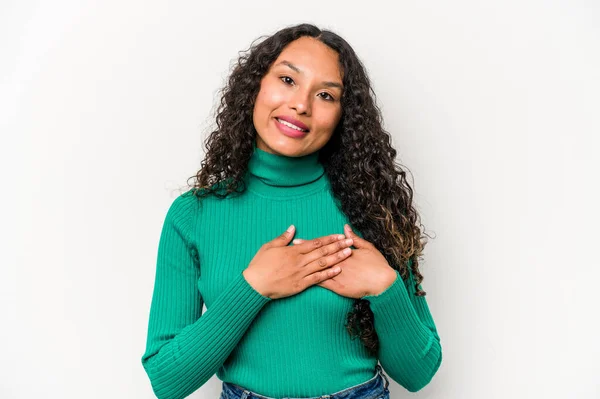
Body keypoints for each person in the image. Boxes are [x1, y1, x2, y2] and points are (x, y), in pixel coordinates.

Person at [141, 23, 442, 399]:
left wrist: (385, 288)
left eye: (326, 96)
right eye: (287, 79)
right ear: (255, 86)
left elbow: (419, 372)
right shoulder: (192, 216)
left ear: (343, 116)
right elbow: (166, 381)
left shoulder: (373, 206)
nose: (301, 104)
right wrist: (255, 287)